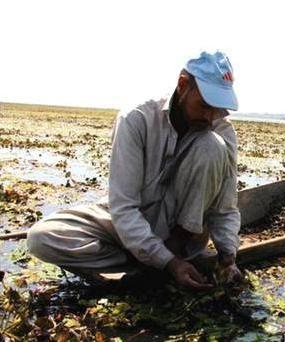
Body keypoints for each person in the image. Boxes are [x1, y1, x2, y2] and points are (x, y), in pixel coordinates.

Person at [26, 51, 242, 289]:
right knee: (41, 238)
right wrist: (167, 262)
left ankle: (165, 252)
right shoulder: (137, 118)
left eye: (218, 109)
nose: (210, 116)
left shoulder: (221, 131)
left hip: (185, 237)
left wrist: (227, 258)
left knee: (211, 144)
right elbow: (124, 206)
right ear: (182, 85)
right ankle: (149, 257)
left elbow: (225, 207)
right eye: (204, 106)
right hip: (130, 224)